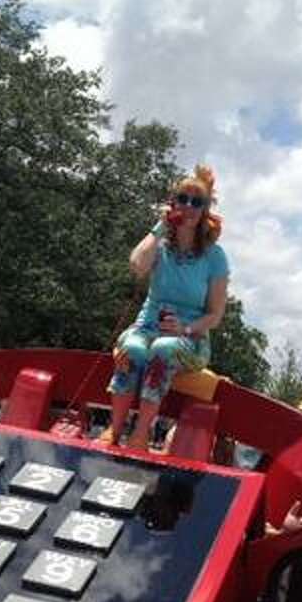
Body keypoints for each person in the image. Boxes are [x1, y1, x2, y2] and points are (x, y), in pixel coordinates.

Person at [101, 164, 228, 450]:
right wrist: (160, 227)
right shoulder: (160, 245)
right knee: (132, 349)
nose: (189, 206)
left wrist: (185, 328)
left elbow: (215, 315)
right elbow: (136, 266)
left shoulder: (215, 257)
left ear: (205, 210)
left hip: (189, 339)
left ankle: (140, 435)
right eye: (183, 199)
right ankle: (115, 428)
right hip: (146, 327)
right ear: (173, 203)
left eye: (198, 202)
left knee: (162, 349)